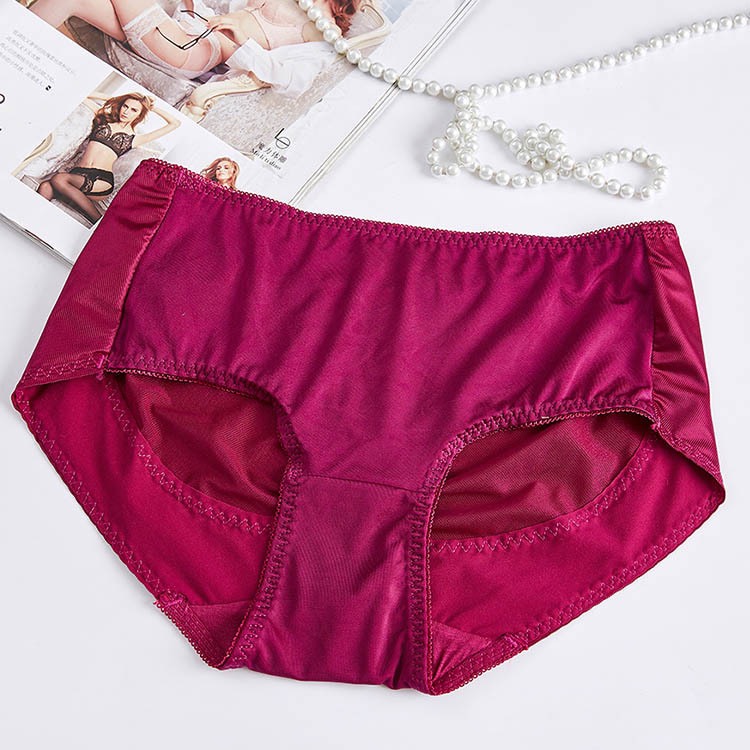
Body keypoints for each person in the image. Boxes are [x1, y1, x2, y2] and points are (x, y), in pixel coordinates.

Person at [29, 0, 359, 84]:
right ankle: (10, 46)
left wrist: (243, 42)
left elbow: (290, 80)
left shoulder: (326, 33)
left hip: (195, 50)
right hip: (187, 31)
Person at [36, 91, 180, 223]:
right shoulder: (103, 119)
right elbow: (82, 94)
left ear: (139, 115)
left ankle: (98, 221)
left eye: (134, 110)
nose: (126, 112)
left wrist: (150, 107)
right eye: (125, 106)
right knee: (45, 186)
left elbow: (175, 123)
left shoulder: (135, 138)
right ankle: (34, 222)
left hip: (101, 180)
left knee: (59, 179)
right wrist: (114, 99)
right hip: (78, 174)